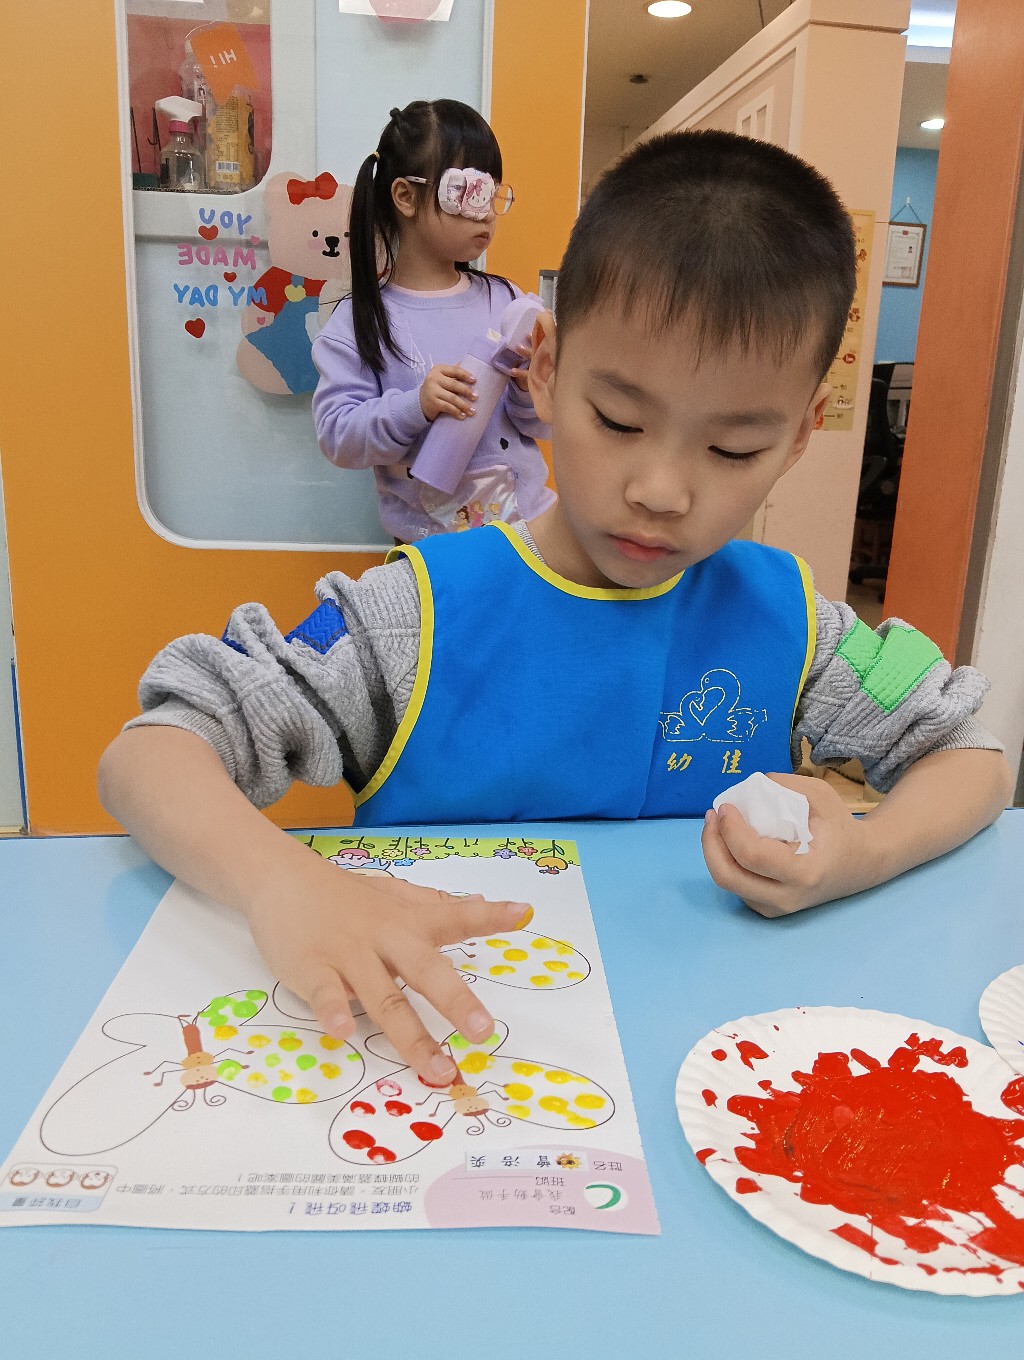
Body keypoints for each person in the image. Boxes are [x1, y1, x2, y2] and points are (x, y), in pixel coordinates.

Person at [100, 129, 1012, 1092]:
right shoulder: (415, 612)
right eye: (618, 420)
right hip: (442, 1069)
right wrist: (283, 883)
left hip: (704, 1076)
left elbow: (975, 758)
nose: (661, 490)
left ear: (798, 438)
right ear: (541, 368)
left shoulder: (795, 623)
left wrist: (864, 850)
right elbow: (149, 754)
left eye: (734, 449)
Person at [311, 99, 554, 541]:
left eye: (492, 193)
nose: (486, 212)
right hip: (429, 549)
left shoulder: (507, 300)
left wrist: (527, 390)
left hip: (528, 537)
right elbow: (337, 435)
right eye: (468, 191)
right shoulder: (360, 321)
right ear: (405, 196)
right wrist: (416, 406)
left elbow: (545, 423)